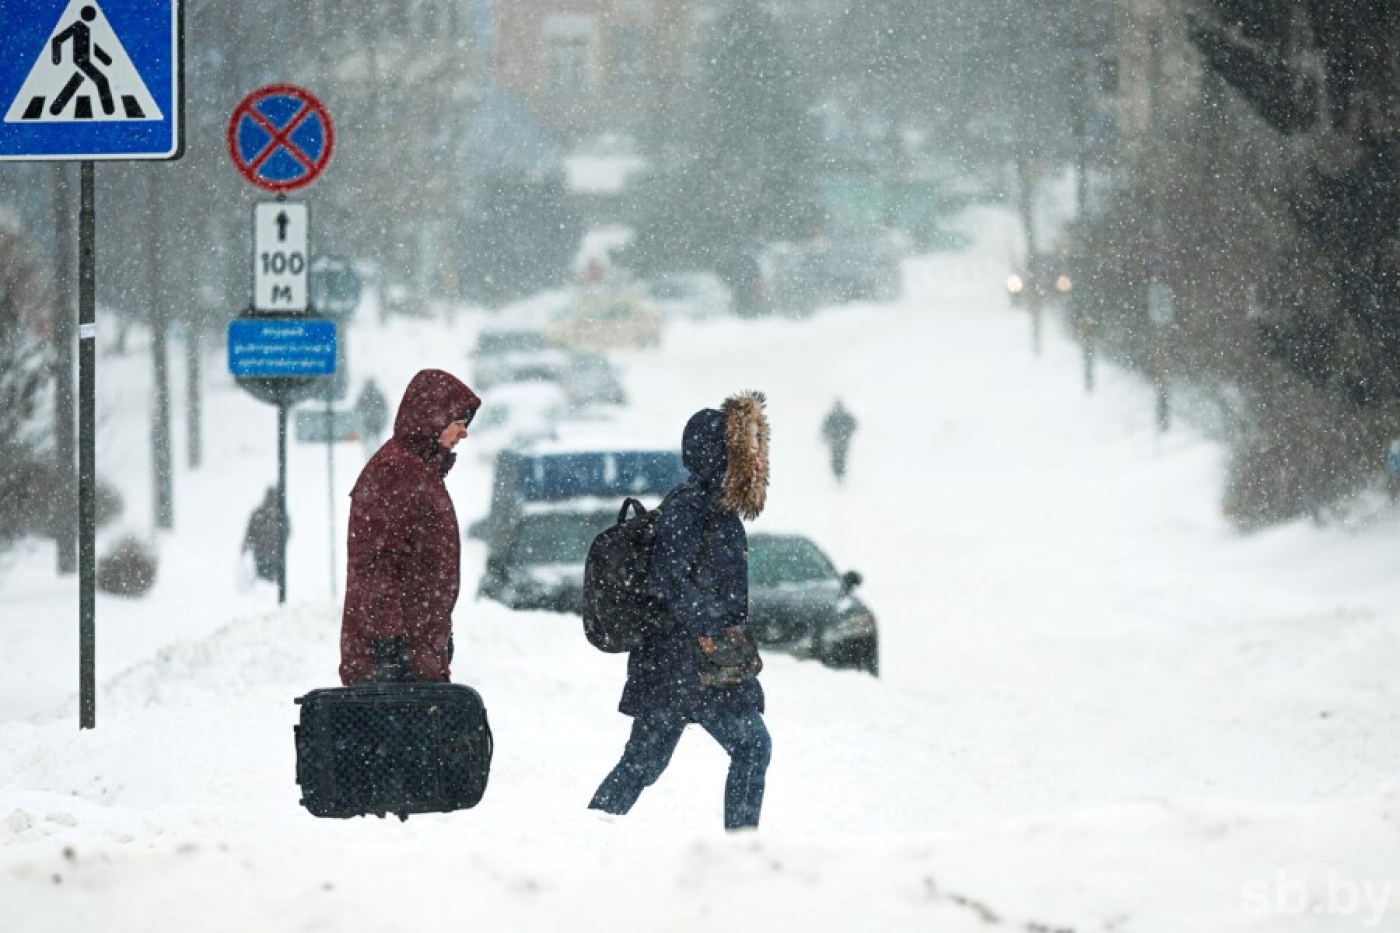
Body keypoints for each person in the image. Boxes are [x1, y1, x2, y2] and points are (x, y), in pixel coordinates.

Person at [589, 391, 773, 830]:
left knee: (643, 764)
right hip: (683, 663)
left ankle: (592, 831)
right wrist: (712, 626)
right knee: (750, 746)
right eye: (746, 450)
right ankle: (743, 849)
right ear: (721, 454)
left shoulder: (716, 508)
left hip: (687, 664)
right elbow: (666, 578)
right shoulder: (691, 507)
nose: (756, 460)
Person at [339, 369, 481, 685]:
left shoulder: (418, 473)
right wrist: (389, 647)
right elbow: (376, 565)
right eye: (458, 424)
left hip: (416, 655)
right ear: (434, 421)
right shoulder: (394, 473)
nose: (463, 434)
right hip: (393, 667)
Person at [242, 486, 287, 583]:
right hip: (273, 554)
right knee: (269, 580)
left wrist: (245, 546)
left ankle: (262, 593)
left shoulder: (259, 513)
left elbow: (250, 532)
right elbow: (286, 531)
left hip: (261, 552)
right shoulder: (279, 514)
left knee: (262, 578)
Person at [820, 398, 858, 483]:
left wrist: (846, 434)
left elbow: (854, 425)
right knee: (837, 458)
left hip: (840, 442)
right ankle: (838, 475)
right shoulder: (834, 417)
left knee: (840, 458)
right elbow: (824, 429)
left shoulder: (839, 417)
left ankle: (839, 475)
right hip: (837, 443)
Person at [355, 377, 389, 457]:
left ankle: (371, 460)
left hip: (369, 423)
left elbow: (358, 410)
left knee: (369, 445)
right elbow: (384, 409)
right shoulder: (377, 394)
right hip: (374, 423)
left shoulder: (364, 395)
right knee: (375, 444)